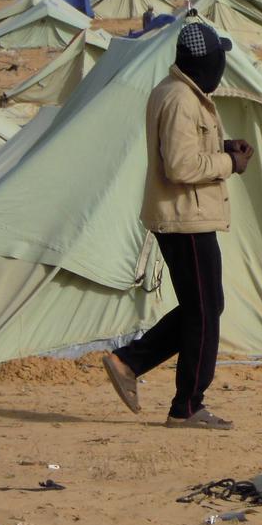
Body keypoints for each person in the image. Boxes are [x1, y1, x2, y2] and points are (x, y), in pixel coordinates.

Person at [102, 22, 253, 430]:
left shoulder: (179, 94)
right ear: (208, 65)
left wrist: (221, 146)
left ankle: (129, 362)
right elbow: (181, 166)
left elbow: (183, 149)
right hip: (185, 217)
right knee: (204, 312)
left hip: (189, 214)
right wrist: (229, 164)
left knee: (203, 307)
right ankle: (187, 406)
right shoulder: (181, 100)